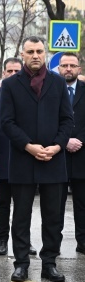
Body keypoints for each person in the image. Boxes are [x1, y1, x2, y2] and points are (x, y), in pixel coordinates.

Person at [0, 36, 73, 282]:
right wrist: (29, 146)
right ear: (22, 54)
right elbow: (6, 122)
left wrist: (56, 146)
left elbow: (67, 120)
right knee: (21, 215)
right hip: (23, 159)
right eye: (30, 51)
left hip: (53, 160)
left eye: (39, 51)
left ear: (45, 53)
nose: (35, 55)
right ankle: (21, 263)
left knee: (53, 216)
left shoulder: (57, 82)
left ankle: (49, 263)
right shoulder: (10, 85)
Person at [0, 57, 37, 256]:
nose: (13, 74)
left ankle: (24, 241)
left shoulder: (32, 94)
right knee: (4, 202)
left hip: (25, 156)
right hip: (4, 157)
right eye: (9, 71)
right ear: (3, 73)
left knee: (24, 204)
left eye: (17, 71)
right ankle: (2, 240)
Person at [58, 53, 85, 253]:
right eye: (64, 65)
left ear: (79, 69)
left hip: (82, 156)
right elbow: (47, 120)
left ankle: (83, 242)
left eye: (72, 65)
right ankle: (53, 244)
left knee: (82, 204)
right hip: (57, 156)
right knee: (55, 206)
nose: (68, 68)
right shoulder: (51, 90)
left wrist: (79, 140)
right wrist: (64, 140)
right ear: (58, 68)